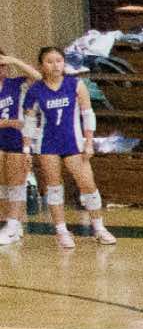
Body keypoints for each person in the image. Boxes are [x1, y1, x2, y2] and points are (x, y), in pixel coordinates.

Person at [22, 47, 115, 247]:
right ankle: (61, 231)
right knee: (54, 188)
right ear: (41, 66)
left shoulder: (75, 84)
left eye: (59, 60)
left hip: (73, 143)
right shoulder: (35, 90)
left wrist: (89, 142)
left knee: (88, 185)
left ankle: (99, 228)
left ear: (64, 63)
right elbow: (29, 121)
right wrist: (26, 149)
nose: (55, 65)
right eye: (49, 61)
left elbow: (87, 114)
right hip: (47, 144)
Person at [0, 51, 39, 245]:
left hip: (17, 139)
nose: (1, 69)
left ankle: (13, 224)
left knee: (15, 181)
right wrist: (7, 123)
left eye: (2, 65)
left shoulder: (16, 83)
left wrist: (15, 60)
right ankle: (9, 222)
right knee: (2, 184)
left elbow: (39, 79)